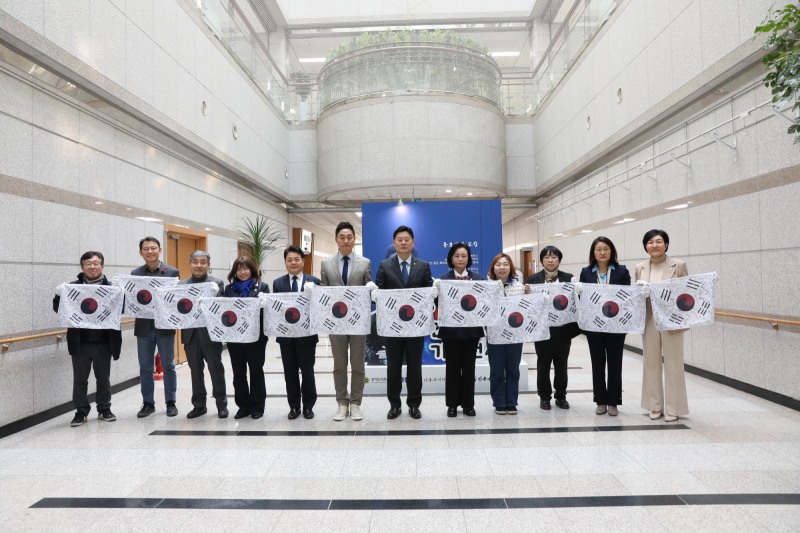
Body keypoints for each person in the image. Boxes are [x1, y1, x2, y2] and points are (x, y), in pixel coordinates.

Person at [53, 251, 122, 427]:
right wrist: (59, 295)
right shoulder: (73, 287)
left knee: (103, 378)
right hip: (80, 342)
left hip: (104, 342)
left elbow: (120, 310)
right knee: (80, 379)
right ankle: (81, 411)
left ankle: (104, 409)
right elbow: (59, 309)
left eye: (96, 263)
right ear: (82, 266)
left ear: (102, 266)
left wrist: (121, 293)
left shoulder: (112, 288)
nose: (92, 267)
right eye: (88, 263)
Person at [376, 225, 434, 420]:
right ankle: (394, 404)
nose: (403, 242)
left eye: (406, 239)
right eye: (399, 239)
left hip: (415, 327)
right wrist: (375, 295)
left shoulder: (423, 266)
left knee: (415, 367)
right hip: (392, 328)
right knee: (393, 367)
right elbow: (379, 294)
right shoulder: (384, 265)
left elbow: (428, 297)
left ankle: (414, 404)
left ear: (413, 242)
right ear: (394, 243)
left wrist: (434, 294)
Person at [318, 221, 374, 421]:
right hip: (336, 322)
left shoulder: (365, 262)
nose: (346, 241)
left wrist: (371, 290)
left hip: (358, 322)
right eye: (342, 237)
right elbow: (324, 291)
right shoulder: (326, 264)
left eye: (349, 237)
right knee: (340, 364)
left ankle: (356, 403)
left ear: (354, 239)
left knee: (358, 364)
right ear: (336, 240)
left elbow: (368, 290)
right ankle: (342, 402)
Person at [635, 229, 689, 422]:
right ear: (645, 246)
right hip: (649, 320)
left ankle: (673, 408)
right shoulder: (640, 267)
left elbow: (686, 294)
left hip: (671, 320)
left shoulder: (679, 265)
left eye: (659, 241)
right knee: (651, 363)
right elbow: (636, 298)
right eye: (650, 242)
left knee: (674, 364)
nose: (654, 245)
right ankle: (654, 405)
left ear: (666, 244)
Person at [579, 236, 631, 417]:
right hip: (594, 326)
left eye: (606, 249)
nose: (602, 252)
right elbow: (583, 300)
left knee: (615, 363)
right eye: (598, 249)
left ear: (612, 251)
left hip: (616, 326)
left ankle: (613, 402)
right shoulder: (586, 272)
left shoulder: (621, 271)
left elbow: (627, 298)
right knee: (597, 363)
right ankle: (600, 400)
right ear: (593, 253)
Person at [130, 237, 180, 418]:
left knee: (168, 365)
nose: (150, 251)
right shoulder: (134, 274)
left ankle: (171, 402)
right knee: (145, 367)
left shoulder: (172, 272)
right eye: (146, 249)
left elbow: (176, 299)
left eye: (153, 248)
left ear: (160, 250)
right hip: (143, 327)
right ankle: (148, 403)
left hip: (165, 326)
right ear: (140, 252)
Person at [273, 245, 321, 420]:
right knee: (290, 372)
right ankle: (294, 406)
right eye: (289, 260)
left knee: (308, 372)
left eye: (296, 259)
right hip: (286, 337)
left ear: (303, 261)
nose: (293, 263)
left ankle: (308, 406)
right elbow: (277, 309)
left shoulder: (314, 282)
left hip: (307, 337)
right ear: (285, 262)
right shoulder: (278, 283)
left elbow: (319, 309)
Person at [527, 245, 577, 411]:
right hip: (543, 330)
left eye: (554, 257)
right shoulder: (533, 279)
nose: (550, 260)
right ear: (541, 260)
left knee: (561, 364)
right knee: (543, 364)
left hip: (563, 330)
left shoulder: (569, 278)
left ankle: (561, 396)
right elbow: (527, 304)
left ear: (559, 260)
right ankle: (544, 397)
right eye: (547, 257)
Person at [180, 250, 227, 419]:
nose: (199, 265)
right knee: (195, 371)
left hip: (211, 334)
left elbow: (222, 308)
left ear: (208, 265)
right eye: (195, 262)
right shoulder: (181, 285)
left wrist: (217, 294)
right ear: (190, 263)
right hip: (190, 335)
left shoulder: (217, 283)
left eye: (203, 262)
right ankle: (199, 405)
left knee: (216, 370)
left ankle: (221, 404)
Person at [438, 242, 484, 417]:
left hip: (471, 331)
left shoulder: (478, 279)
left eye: (464, 256)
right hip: (451, 332)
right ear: (451, 258)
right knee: (452, 368)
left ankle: (468, 404)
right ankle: (452, 405)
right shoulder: (442, 280)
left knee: (469, 368)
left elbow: (483, 303)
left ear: (469, 258)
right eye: (457, 256)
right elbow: (438, 305)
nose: (460, 259)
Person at [222, 256, 269, 420]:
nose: (242, 272)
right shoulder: (228, 290)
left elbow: (268, 315)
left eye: (246, 268)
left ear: (252, 269)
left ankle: (257, 407)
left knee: (256, 371)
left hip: (256, 339)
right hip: (235, 339)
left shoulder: (262, 287)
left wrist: (264, 305)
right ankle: (243, 406)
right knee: (238, 373)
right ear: (235, 271)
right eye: (239, 269)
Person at [486, 253, 530, 415]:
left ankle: (511, 402)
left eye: (505, 264)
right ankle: (499, 402)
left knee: (513, 369)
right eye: (498, 264)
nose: (502, 267)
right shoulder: (486, 287)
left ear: (511, 267)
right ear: (493, 268)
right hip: (494, 335)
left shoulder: (520, 287)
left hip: (515, 335)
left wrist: (529, 294)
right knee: (496, 370)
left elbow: (527, 308)